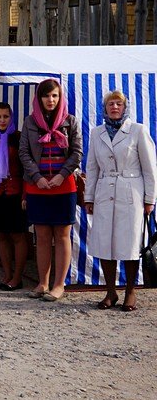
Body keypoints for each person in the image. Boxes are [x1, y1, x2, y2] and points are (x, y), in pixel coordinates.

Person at [84, 90, 157, 312]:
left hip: (131, 194)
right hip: (105, 192)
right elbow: (92, 167)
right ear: (104, 108)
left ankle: (130, 291)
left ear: (125, 107)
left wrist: (149, 199)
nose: (114, 107)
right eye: (110, 104)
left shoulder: (137, 131)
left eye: (118, 104)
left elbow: (149, 168)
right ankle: (110, 292)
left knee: (129, 244)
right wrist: (89, 196)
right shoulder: (97, 133)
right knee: (105, 243)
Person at [18, 78, 83, 302]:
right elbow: (23, 152)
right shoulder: (30, 122)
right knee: (42, 235)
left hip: (63, 186)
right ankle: (43, 283)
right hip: (38, 186)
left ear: (60, 97)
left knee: (62, 236)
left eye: (54, 95)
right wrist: (37, 177)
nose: (51, 100)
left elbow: (77, 153)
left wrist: (60, 175)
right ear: (39, 98)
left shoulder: (70, 121)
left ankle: (59, 285)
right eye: (46, 95)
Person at [0, 102, 29, 291]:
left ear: (11, 118)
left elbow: (26, 170)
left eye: (5, 117)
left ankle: (18, 277)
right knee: (1, 235)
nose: (2, 120)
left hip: (15, 193)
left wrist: (26, 195)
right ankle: (7, 274)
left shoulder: (18, 138)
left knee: (18, 235)